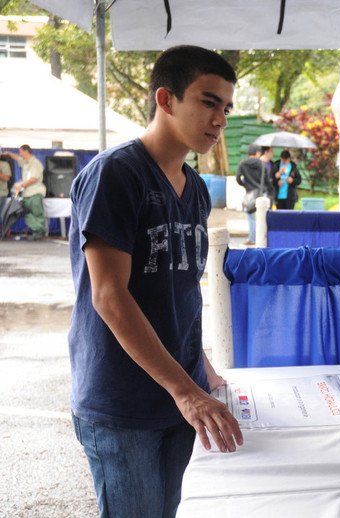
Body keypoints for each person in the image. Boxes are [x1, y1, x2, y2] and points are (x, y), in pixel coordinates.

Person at [67, 45, 243, 517]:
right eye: (208, 102)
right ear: (166, 99)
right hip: (123, 401)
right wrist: (187, 391)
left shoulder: (196, 187)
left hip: (179, 392)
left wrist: (201, 369)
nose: (220, 118)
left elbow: (180, 291)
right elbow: (108, 296)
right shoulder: (116, 175)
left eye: (226, 107)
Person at [4, 145, 46, 240]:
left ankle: (38, 231)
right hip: (27, 193)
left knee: (37, 213)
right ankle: (38, 229)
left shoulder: (35, 163)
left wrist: (22, 185)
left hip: (35, 192)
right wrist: (9, 154)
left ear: (26, 151)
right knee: (23, 211)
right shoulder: (25, 162)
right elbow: (17, 158)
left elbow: (33, 178)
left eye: (21, 151)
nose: (20, 154)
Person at [236, 143, 274, 245]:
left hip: (250, 194)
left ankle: (252, 238)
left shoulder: (242, 164)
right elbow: (267, 180)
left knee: (251, 217)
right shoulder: (262, 164)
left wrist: (245, 185)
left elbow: (238, 178)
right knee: (262, 218)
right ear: (257, 153)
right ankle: (263, 238)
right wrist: (271, 191)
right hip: (262, 193)